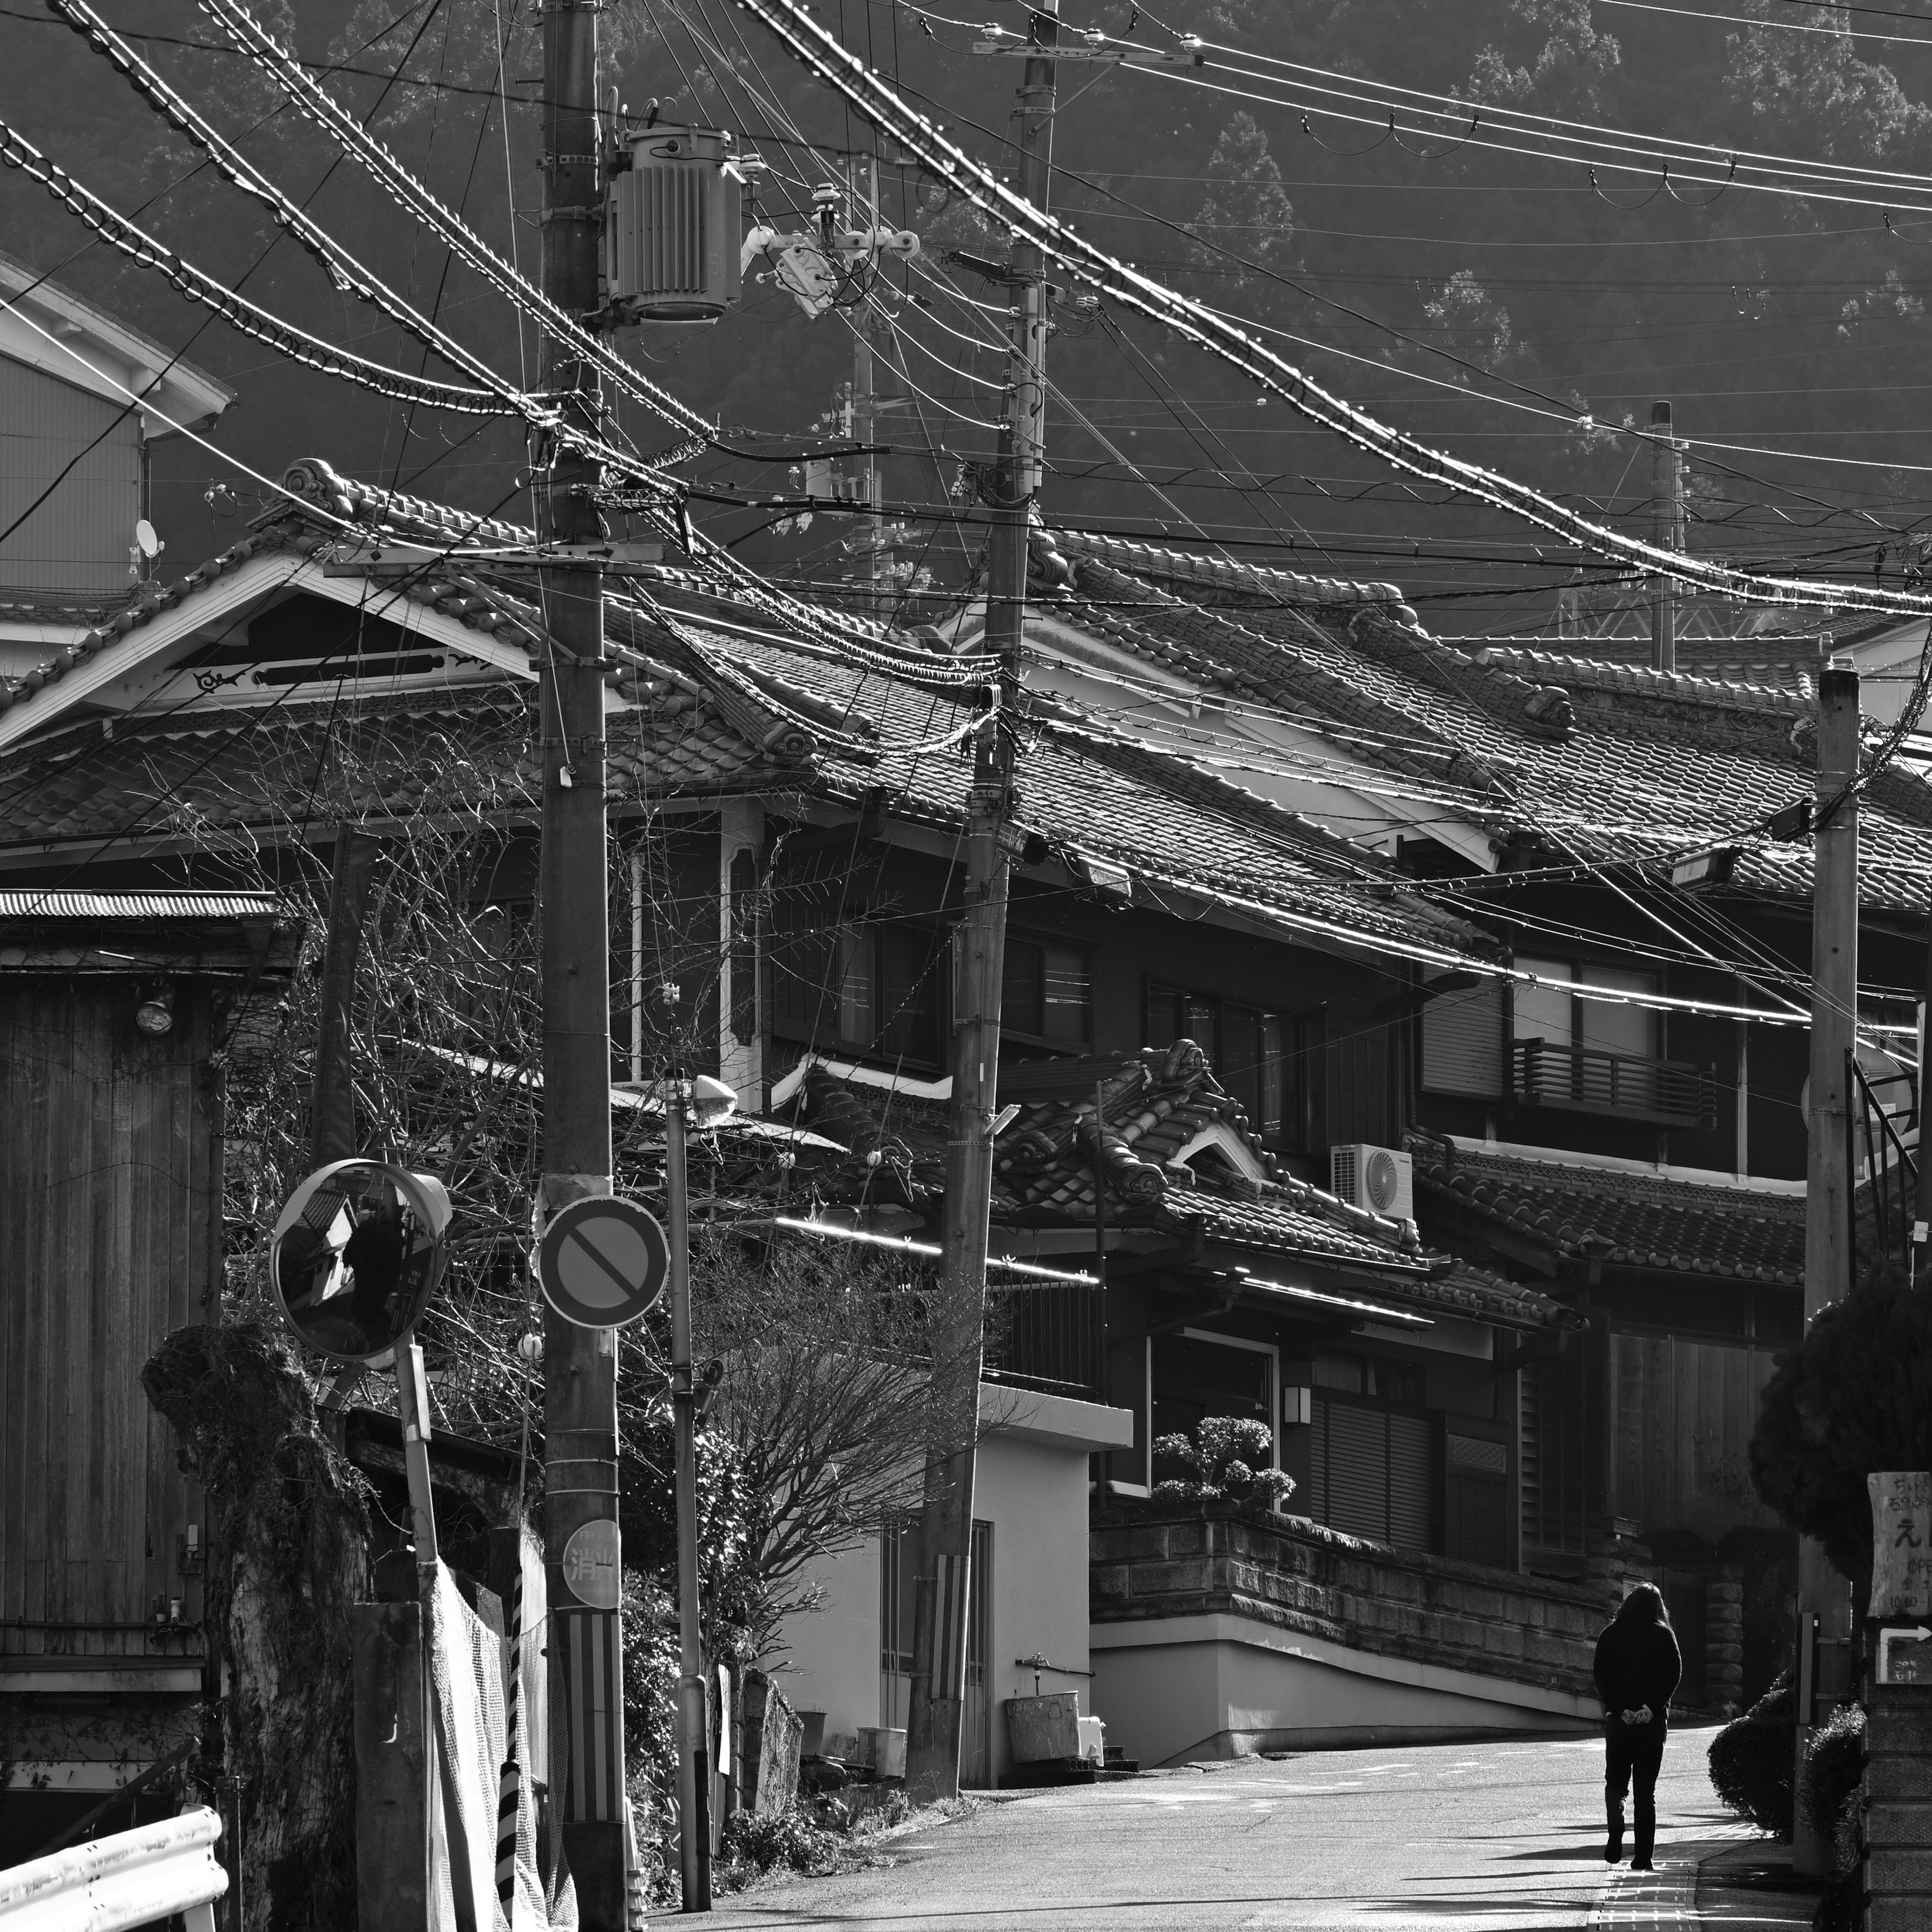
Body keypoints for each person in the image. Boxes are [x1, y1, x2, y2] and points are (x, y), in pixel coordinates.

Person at [1593, 1582, 1682, 1871]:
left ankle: (1616, 1828)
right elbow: (1673, 1675)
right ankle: (1643, 1857)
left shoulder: (1611, 1634)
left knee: (1616, 1784)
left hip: (1619, 1724)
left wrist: (1620, 1710)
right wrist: (1651, 1708)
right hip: (1652, 1725)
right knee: (1646, 1792)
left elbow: (1601, 1676)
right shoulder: (1664, 1635)